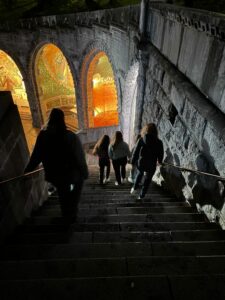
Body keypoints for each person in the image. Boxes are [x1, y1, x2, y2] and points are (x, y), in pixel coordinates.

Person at [24, 108, 88, 221]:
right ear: (62, 119)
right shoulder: (71, 136)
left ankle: (66, 214)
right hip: (71, 173)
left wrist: (27, 170)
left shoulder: (43, 136)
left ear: (50, 119)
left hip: (55, 175)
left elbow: (36, 156)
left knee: (63, 194)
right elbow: (79, 157)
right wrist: (85, 172)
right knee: (74, 191)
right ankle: (71, 213)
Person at [130, 123, 164, 199]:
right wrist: (160, 161)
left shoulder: (141, 140)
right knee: (148, 180)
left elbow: (136, 152)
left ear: (146, 130)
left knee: (139, 174)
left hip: (141, 162)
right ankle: (142, 195)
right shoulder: (159, 142)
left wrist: (132, 162)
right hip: (151, 164)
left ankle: (134, 188)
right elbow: (160, 154)